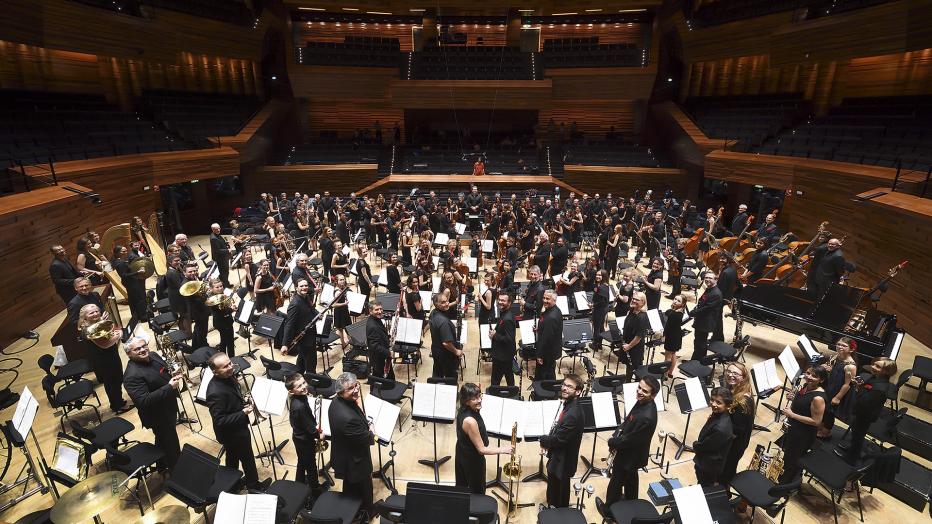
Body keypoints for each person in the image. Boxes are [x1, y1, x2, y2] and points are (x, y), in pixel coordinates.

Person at [205, 353, 264, 490]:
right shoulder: (215, 392)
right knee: (247, 458)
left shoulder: (227, 377)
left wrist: (243, 401)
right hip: (232, 433)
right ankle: (254, 486)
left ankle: (232, 484)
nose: (231, 367)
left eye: (230, 363)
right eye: (225, 366)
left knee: (232, 458)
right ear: (215, 371)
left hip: (236, 429)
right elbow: (220, 420)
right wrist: (243, 413)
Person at [123, 336, 182, 471]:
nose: (143, 350)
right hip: (157, 416)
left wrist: (173, 372)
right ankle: (177, 473)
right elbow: (143, 400)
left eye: (144, 346)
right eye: (137, 349)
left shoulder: (153, 355)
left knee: (162, 440)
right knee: (171, 445)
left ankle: (161, 466)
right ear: (129, 354)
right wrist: (169, 387)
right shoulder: (131, 376)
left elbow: (163, 370)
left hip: (169, 406)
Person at [605, 376, 659, 505]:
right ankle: (631, 503)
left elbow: (629, 441)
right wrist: (617, 433)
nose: (639, 392)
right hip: (633, 453)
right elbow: (629, 419)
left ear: (653, 395)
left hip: (630, 455)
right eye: (639, 387)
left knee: (616, 481)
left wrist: (612, 442)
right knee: (631, 480)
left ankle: (608, 509)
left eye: (645, 391)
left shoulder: (646, 417)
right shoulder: (642, 402)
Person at [328, 372, 375, 518]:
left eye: (356, 385)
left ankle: (351, 511)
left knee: (350, 486)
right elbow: (366, 438)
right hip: (355, 461)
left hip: (343, 454)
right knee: (365, 487)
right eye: (350, 388)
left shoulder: (335, 402)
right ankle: (367, 513)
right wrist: (372, 430)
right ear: (340, 392)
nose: (356, 390)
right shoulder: (348, 419)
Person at [836, 358, 897, 465]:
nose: (873, 367)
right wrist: (861, 386)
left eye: (878, 366)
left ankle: (851, 458)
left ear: (886, 371)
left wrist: (857, 389)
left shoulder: (880, 388)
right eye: (874, 364)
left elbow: (865, 403)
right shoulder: (876, 378)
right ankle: (852, 449)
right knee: (856, 433)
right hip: (863, 412)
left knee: (858, 436)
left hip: (865, 415)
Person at [455, 383, 514, 494]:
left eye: (479, 396)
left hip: (462, 452)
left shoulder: (462, 409)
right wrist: (503, 449)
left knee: (462, 488)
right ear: (466, 401)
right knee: (477, 491)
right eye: (474, 399)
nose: (479, 400)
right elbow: (481, 449)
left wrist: (475, 393)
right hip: (472, 460)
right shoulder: (470, 421)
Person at [540, 374, 584, 508]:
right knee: (555, 488)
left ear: (578, 392)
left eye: (569, 387)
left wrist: (543, 440)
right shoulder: (569, 405)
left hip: (563, 461)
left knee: (559, 492)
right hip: (559, 457)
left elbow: (559, 439)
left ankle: (557, 513)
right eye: (564, 384)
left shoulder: (573, 414)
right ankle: (552, 509)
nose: (564, 388)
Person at [778, 365, 828, 483]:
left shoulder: (818, 398)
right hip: (795, 428)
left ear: (821, 380)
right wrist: (794, 397)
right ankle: (783, 479)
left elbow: (816, 422)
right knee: (788, 457)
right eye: (808, 373)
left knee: (793, 460)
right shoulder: (806, 386)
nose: (809, 377)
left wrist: (792, 415)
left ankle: (785, 485)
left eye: (814, 376)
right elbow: (804, 404)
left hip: (803, 434)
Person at [78, 304, 129, 413]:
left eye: (97, 311)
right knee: (113, 382)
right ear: (84, 317)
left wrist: (106, 326)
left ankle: (118, 401)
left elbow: (106, 336)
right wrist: (119, 335)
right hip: (104, 360)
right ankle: (117, 406)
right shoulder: (88, 329)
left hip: (110, 355)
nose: (95, 313)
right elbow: (105, 345)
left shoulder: (96, 323)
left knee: (116, 379)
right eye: (91, 313)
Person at [285, 374, 322, 498]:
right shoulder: (299, 406)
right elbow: (310, 429)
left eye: (304, 383)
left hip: (298, 438)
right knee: (311, 466)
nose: (304, 387)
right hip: (305, 440)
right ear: (291, 391)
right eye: (299, 386)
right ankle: (315, 491)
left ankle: (299, 484)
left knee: (302, 461)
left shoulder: (298, 398)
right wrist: (319, 435)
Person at [721, 362, 755, 485]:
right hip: (731, 440)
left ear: (743, 377)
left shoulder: (743, 401)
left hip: (734, 445)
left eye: (735, 373)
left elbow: (737, 429)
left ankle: (724, 491)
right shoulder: (735, 389)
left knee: (725, 472)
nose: (730, 375)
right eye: (729, 371)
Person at [693, 387, 734, 487]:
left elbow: (706, 445)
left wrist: (695, 445)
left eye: (718, 403)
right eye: (712, 400)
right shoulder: (720, 414)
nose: (713, 404)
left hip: (708, 465)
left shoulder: (721, 428)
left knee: (705, 485)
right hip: (708, 460)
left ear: (728, 406)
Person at [818, 337, 858, 438]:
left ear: (851, 349)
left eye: (844, 346)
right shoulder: (837, 356)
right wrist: (827, 367)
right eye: (839, 344)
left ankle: (826, 432)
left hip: (839, 391)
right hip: (831, 386)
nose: (840, 347)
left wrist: (837, 397)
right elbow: (833, 369)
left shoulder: (850, 366)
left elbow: (847, 385)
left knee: (830, 412)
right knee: (825, 409)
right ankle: (821, 426)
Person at [281, 279, 318, 374]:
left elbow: (311, 309)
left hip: (310, 334)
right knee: (311, 364)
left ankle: (298, 375)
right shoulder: (295, 304)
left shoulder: (306, 297)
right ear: (296, 288)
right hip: (305, 339)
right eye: (301, 286)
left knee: (301, 360)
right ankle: (311, 380)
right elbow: (289, 324)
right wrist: (285, 344)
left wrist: (317, 314)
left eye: (306, 285)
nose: (304, 288)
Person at [689, 271, 723, 361]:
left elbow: (706, 309)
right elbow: (702, 303)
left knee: (700, 343)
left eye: (710, 278)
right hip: (702, 320)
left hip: (705, 323)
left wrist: (694, 312)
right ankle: (698, 361)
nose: (707, 279)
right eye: (706, 278)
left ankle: (695, 363)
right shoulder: (710, 289)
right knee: (699, 342)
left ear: (716, 280)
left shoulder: (716, 294)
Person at [429, 293, 462, 379]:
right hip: (445, 355)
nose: (447, 303)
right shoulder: (444, 322)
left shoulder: (433, 313)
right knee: (450, 378)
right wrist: (456, 351)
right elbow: (446, 343)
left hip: (436, 350)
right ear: (436, 304)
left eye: (447, 301)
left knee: (437, 374)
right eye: (443, 302)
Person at [114, 244, 148, 322]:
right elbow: (124, 275)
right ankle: (143, 317)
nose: (126, 252)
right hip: (132, 283)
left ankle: (136, 316)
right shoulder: (120, 262)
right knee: (139, 299)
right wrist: (138, 272)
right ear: (118, 253)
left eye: (126, 250)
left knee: (133, 300)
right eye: (123, 251)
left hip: (130, 282)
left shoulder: (120, 260)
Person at [619, 292, 648, 382]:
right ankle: (628, 382)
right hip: (628, 343)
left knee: (635, 368)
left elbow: (638, 337)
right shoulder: (632, 310)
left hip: (635, 347)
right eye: (633, 298)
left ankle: (636, 384)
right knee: (629, 367)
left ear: (643, 302)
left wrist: (628, 346)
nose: (633, 300)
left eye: (637, 299)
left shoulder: (642, 317)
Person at [489, 292, 516, 387]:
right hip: (505, 354)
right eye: (499, 300)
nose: (500, 302)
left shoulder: (507, 319)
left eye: (503, 300)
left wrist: (495, 335)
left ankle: (495, 394)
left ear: (509, 303)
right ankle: (512, 392)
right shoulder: (505, 313)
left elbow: (509, 338)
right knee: (509, 377)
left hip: (502, 356)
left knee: (495, 381)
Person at [535, 290, 564, 381]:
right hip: (550, 351)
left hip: (547, 353)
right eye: (544, 298)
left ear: (554, 300)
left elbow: (546, 339)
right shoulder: (553, 310)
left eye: (548, 299)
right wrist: (539, 329)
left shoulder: (551, 317)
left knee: (545, 376)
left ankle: (547, 389)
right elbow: (549, 330)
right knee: (549, 373)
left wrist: (540, 355)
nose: (544, 300)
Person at [207, 279, 236, 357]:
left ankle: (223, 357)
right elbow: (222, 311)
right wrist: (232, 309)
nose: (220, 288)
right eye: (217, 287)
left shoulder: (220, 294)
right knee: (230, 343)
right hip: (223, 323)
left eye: (221, 286)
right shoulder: (213, 299)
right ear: (211, 288)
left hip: (223, 321)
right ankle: (232, 359)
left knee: (224, 340)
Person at [183, 263, 209, 348]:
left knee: (198, 328)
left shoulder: (194, 278)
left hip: (200, 308)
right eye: (190, 272)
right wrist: (205, 295)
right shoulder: (186, 284)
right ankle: (203, 347)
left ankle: (196, 346)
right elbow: (194, 299)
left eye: (194, 271)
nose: (193, 273)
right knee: (202, 330)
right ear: (184, 273)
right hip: (197, 310)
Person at [366, 301, 393, 379]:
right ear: (370, 311)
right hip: (378, 360)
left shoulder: (376, 319)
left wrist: (388, 337)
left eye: (381, 309)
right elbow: (374, 346)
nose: (380, 311)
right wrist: (389, 353)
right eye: (376, 309)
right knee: (384, 380)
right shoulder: (372, 326)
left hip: (382, 355)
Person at [662, 295, 687, 378]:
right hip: (676, 335)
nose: (675, 301)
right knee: (673, 354)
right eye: (675, 299)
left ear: (683, 304)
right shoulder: (679, 312)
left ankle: (665, 374)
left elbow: (668, 327)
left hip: (671, 336)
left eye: (678, 301)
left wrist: (664, 335)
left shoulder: (674, 314)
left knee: (667, 356)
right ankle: (670, 372)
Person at [590, 269, 610, 350]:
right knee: (601, 326)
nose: (597, 276)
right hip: (603, 309)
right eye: (597, 275)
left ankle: (595, 344)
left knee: (597, 327)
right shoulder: (605, 285)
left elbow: (601, 301)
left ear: (604, 276)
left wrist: (593, 305)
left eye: (599, 275)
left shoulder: (601, 288)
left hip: (599, 310)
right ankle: (599, 344)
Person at [209, 223, 231, 288]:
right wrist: (227, 250)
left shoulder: (217, 235)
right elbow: (217, 250)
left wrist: (225, 243)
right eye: (216, 229)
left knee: (225, 272)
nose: (218, 230)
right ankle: (225, 286)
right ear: (213, 229)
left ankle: (225, 283)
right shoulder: (214, 238)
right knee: (224, 272)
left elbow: (220, 244)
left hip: (223, 257)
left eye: (219, 228)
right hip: (220, 258)